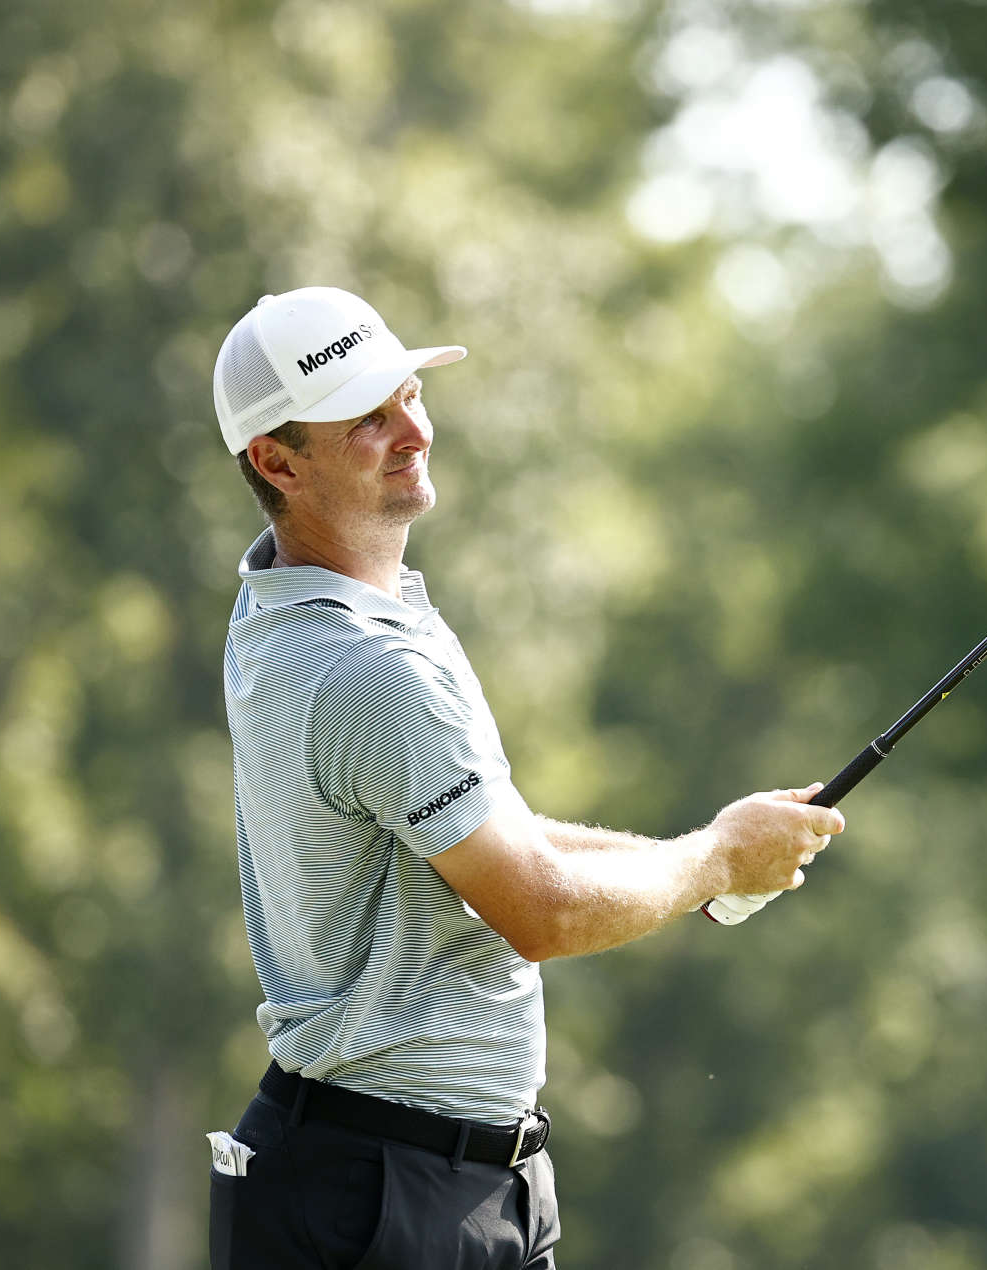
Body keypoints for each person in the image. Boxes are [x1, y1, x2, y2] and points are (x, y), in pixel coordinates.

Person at [206, 286, 844, 1269]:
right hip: (379, 1195)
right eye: (367, 417)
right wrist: (714, 862)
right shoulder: (368, 667)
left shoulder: (303, 607)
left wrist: (710, 857)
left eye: (409, 393)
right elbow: (537, 909)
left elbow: (495, 836)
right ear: (277, 461)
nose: (413, 429)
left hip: (446, 1180)